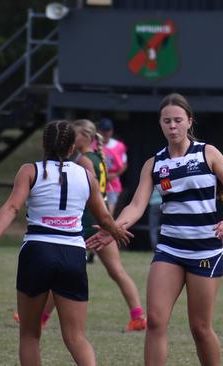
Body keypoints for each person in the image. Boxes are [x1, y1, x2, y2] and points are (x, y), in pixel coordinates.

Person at [87, 93, 223, 366]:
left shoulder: (207, 153)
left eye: (177, 120)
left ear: (189, 122)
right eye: (166, 121)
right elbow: (136, 205)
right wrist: (113, 227)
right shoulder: (155, 164)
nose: (172, 126)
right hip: (170, 250)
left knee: (200, 328)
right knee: (156, 322)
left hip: (204, 251)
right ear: (160, 124)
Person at [0, 120, 131, 366]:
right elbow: (103, 217)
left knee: (29, 334)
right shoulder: (86, 175)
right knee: (77, 337)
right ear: (72, 148)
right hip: (73, 254)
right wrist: (117, 231)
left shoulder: (29, 171)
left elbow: (12, 207)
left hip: (37, 251)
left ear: (43, 144)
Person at [71, 119, 147, 331]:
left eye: (74, 134)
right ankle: (138, 316)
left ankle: (38, 319)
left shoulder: (85, 160)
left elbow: (89, 191)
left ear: (86, 137)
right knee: (117, 271)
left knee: (65, 270)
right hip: (102, 218)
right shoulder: (97, 158)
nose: (71, 138)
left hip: (88, 221)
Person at [96, 118, 127, 216]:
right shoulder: (93, 145)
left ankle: (106, 231)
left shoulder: (119, 146)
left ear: (112, 131)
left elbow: (124, 164)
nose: (105, 133)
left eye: (108, 130)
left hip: (112, 184)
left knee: (109, 212)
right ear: (98, 131)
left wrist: (115, 174)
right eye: (103, 130)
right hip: (96, 182)